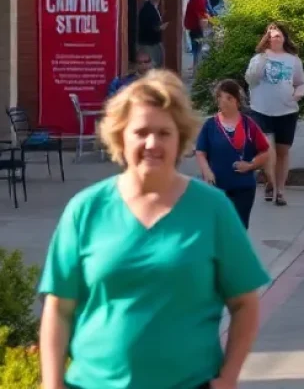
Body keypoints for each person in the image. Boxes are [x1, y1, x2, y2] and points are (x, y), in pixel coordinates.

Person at [38, 71, 269, 389]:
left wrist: (227, 378)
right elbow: (59, 307)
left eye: (164, 133)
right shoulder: (86, 210)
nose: (152, 143)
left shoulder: (212, 210)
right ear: (121, 136)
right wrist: (51, 384)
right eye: (141, 132)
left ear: (181, 139)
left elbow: (245, 303)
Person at [195, 79, 271, 230]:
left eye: (229, 98)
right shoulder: (210, 125)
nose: (224, 102)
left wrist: (251, 165)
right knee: (219, 229)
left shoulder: (248, 125)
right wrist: (207, 172)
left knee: (239, 229)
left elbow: (265, 151)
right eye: (220, 98)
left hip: (243, 187)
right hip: (217, 187)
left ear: (237, 100)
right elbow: (200, 152)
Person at [245, 21, 304, 207]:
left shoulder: (293, 60)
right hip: (261, 110)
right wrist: (262, 59)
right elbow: (250, 79)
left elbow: (301, 82)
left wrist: (299, 93)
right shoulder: (258, 59)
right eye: (271, 36)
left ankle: (280, 190)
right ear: (266, 39)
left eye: (278, 35)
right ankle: (270, 181)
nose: (275, 38)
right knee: (267, 150)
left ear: (284, 38)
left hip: (287, 111)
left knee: (282, 152)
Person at [184, 0, 213, 74]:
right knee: (197, 51)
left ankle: (196, 72)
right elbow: (201, 16)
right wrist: (207, 28)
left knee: (197, 51)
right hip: (196, 29)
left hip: (194, 28)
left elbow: (203, 14)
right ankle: (196, 72)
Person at [136, 0, 166, 67]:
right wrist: (160, 27)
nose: (159, 0)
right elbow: (150, 26)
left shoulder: (154, 8)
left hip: (154, 42)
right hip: (149, 43)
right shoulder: (147, 9)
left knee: (158, 64)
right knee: (152, 65)